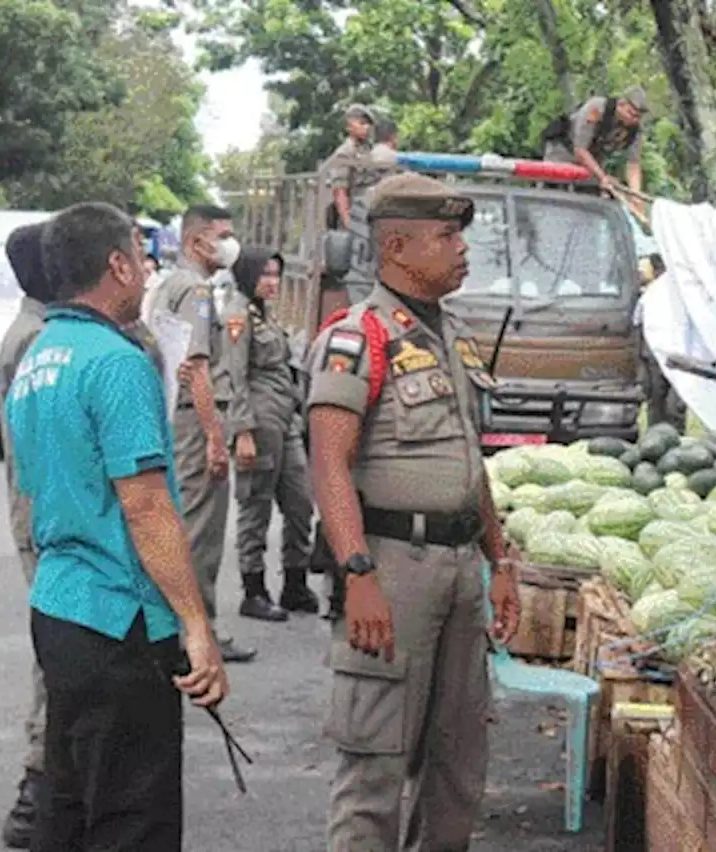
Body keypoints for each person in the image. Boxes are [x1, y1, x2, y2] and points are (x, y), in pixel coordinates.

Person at [306, 172, 522, 851]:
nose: (463, 249)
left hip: (459, 570)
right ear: (397, 247)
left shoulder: (445, 334)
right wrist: (358, 571)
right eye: (447, 237)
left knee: (458, 770)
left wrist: (501, 559)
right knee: (374, 771)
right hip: (393, 570)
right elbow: (328, 463)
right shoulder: (356, 336)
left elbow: (467, 462)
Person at [5, 201, 231, 852]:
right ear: (118, 265)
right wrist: (195, 623)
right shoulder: (117, 361)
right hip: (120, 623)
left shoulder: (42, 354)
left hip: (59, 608)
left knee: (69, 807)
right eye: (140, 251)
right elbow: (146, 506)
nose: (146, 266)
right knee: (133, 819)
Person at [156, 205, 270, 643]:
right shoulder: (195, 293)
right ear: (196, 241)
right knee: (199, 532)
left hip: (180, 417)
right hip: (196, 419)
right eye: (222, 235)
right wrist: (214, 438)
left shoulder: (174, 286)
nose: (229, 243)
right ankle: (195, 631)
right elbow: (198, 367)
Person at [0, 221, 54, 849]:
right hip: (41, 517)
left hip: (36, 511)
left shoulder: (34, 330)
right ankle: (37, 786)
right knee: (56, 652)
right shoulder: (37, 337)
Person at [226, 248, 319, 615]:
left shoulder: (264, 315)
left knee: (300, 503)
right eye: (264, 274)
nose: (271, 281)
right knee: (256, 507)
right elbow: (233, 377)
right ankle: (254, 590)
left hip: (285, 420)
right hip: (259, 422)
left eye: (276, 274)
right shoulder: (237, 316)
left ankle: (295, 583)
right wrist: (242, 431)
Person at [541, 85, 649, 197]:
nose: (634, 120)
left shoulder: (635, 129)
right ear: (621, 104)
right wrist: (602, 177)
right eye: (631, 114)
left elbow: (633, 164)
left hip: (592, 162)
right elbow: (580, 150)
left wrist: (636, 195)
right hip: (563, 152)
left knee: (591, 196)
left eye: (638, 117)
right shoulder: (597, 109)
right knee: (555, 194)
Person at [325, 103, 375, 230]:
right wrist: (349, 224)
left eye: (368, 124)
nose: (367, 127)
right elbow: (339, 191)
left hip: (371, 215)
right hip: (354, 217)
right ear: (349, 126)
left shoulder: (370, 151)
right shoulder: (345, 153)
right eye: (362, 123)